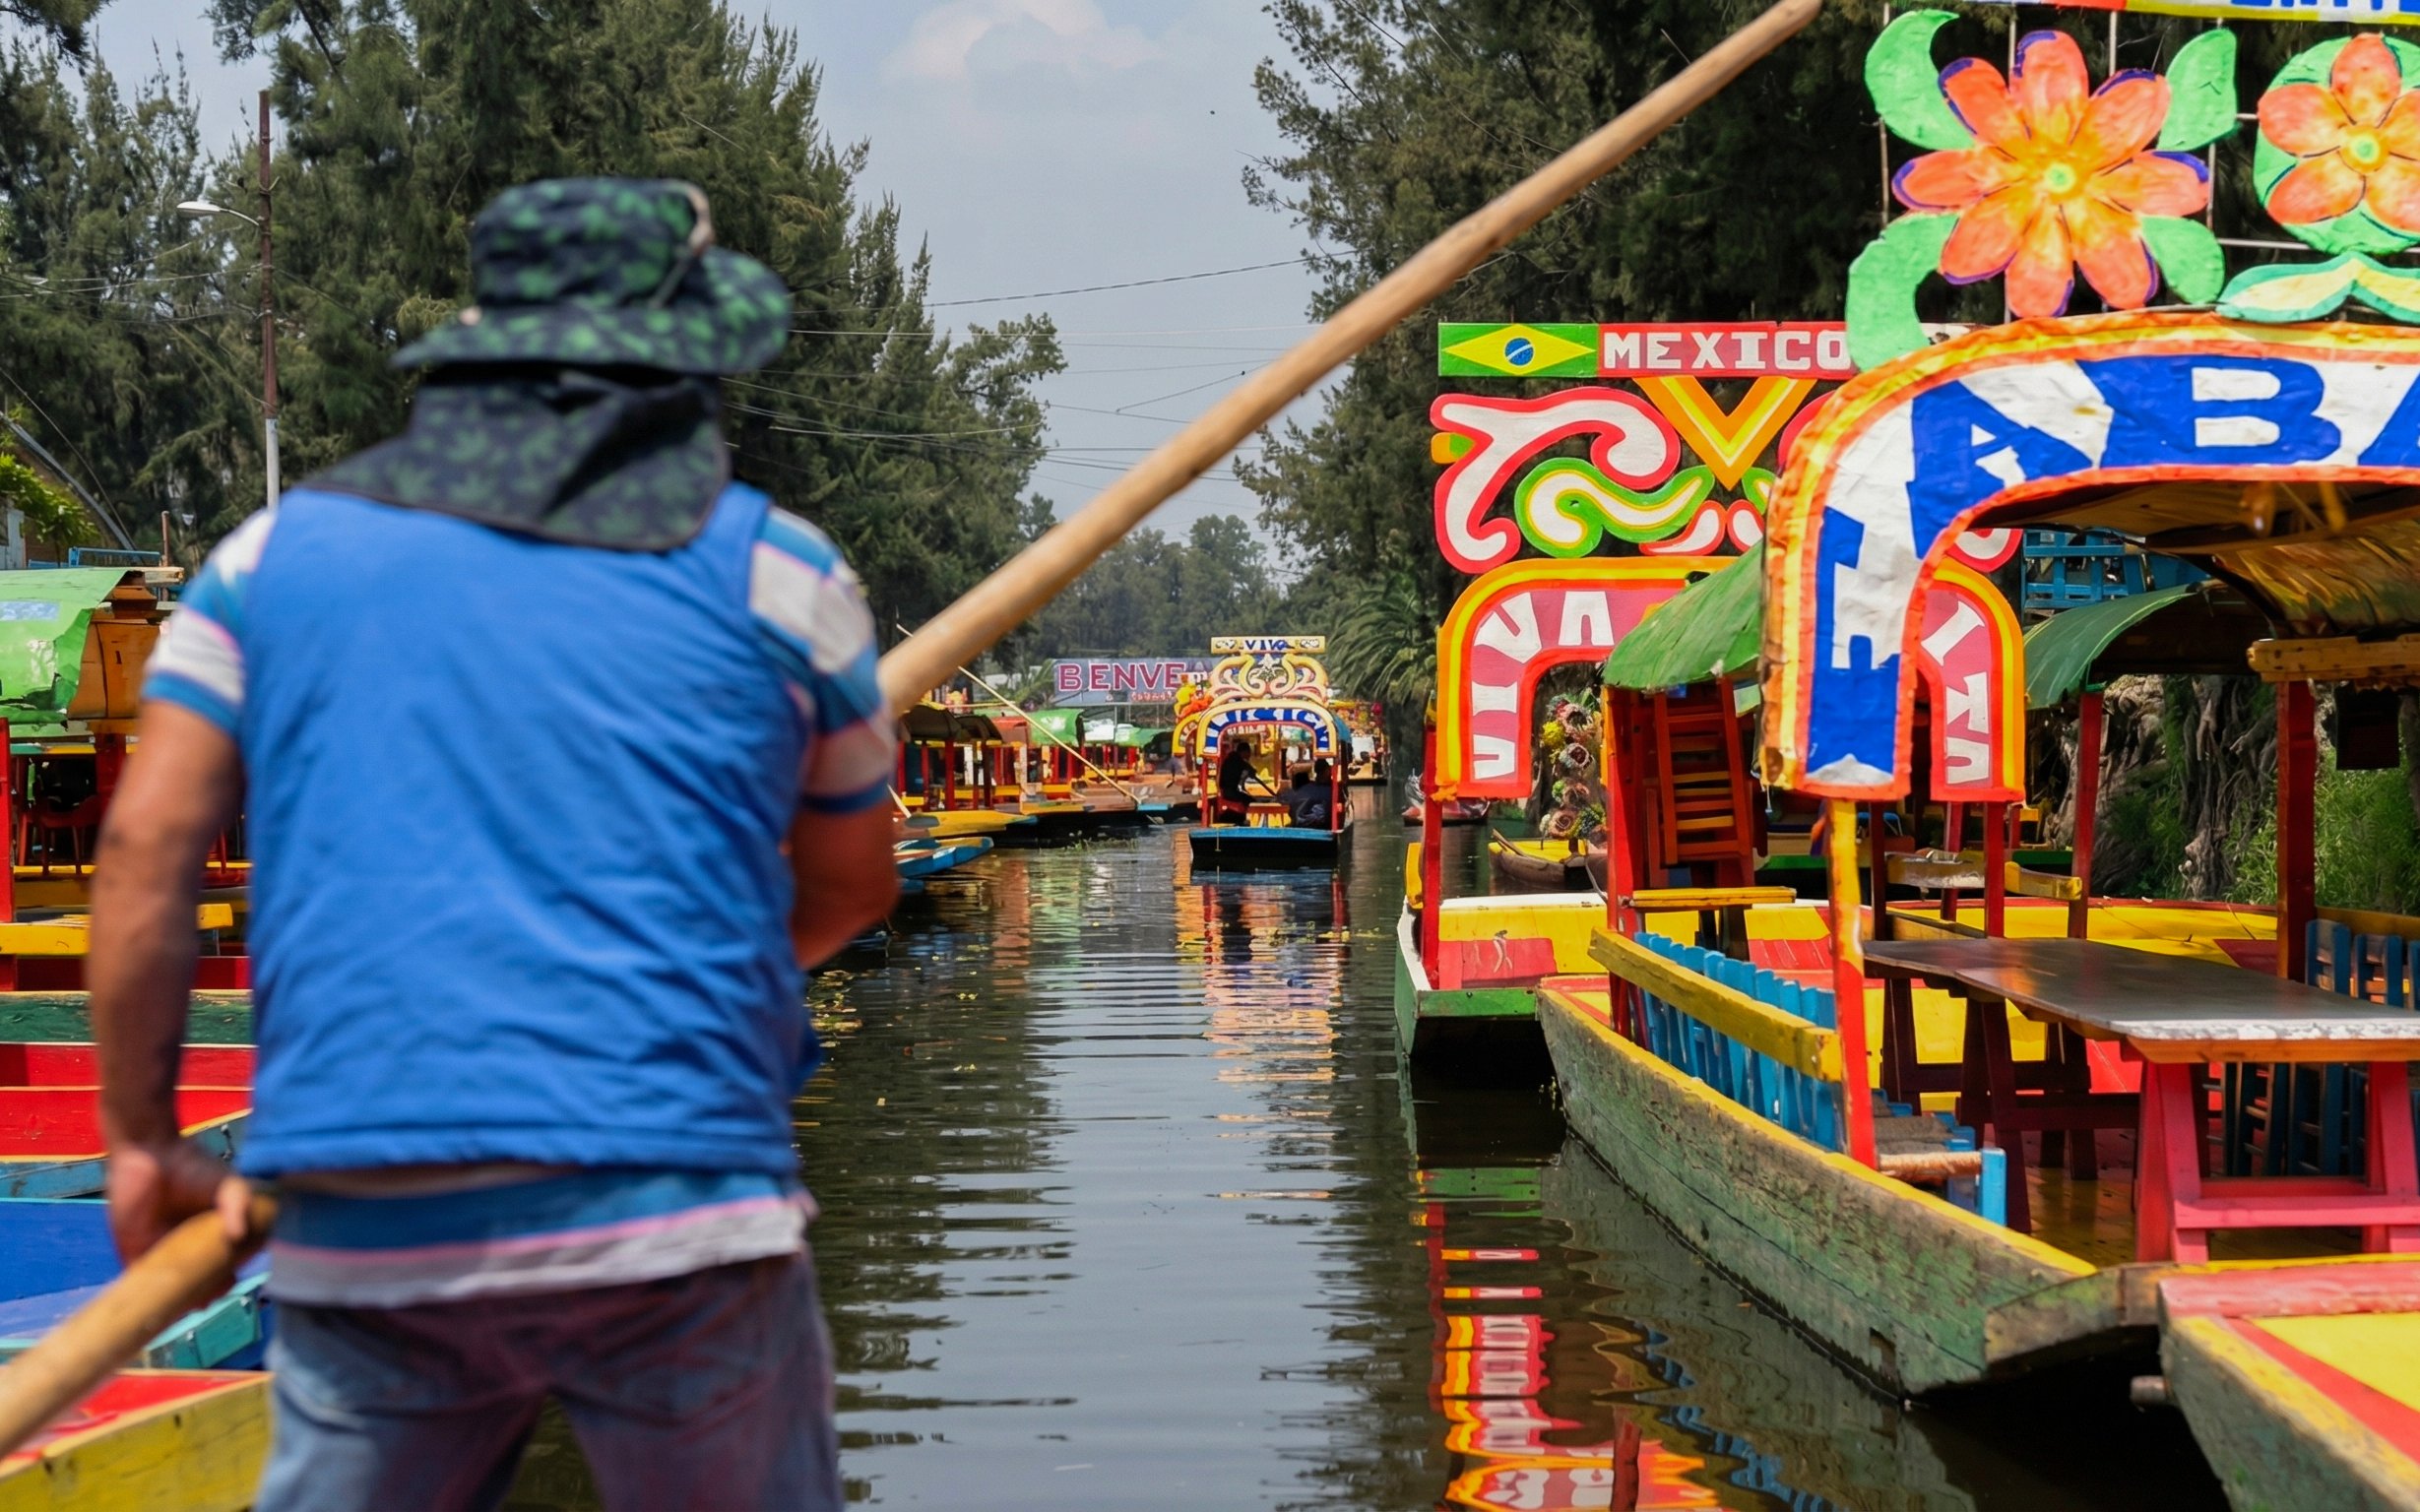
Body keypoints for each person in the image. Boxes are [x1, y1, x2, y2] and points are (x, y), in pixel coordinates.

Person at [91, 178, 898, 1512]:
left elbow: (145, 850)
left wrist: (138, 1141)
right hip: (676, 1212)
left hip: (369, 1214)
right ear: (682, 376)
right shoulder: (779, 571)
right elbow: (854, 887)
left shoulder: (264, 562)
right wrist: (698, 967)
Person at [1214, 731, 1266, 823]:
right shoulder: (1236, 760)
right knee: (1251, 801)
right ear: (1244, 752)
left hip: (1229, 790)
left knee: (1249, 798)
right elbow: (1250, 770)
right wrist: (1252, 772)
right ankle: (1250, 819)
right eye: (1248, 752)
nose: (1249, 755)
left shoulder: (1233, 759)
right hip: (1229, 791)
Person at [1283, 763, 1333, 830]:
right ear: (1327, 772)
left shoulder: (1302, 790)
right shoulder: (1327, 792)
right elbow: (1322, 815)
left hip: (1297, 826)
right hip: (1317, 828)